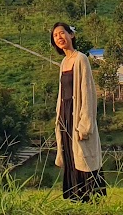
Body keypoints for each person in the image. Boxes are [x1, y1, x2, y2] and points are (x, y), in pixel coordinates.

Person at [50, 21, 105, 202]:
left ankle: (90, 200)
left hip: (77, 117)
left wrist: (85, 125)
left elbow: (88, 92)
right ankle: (75, 200)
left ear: (71, 35)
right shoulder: (64, 62)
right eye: (55, 35)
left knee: (84, 159)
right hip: (65, 117)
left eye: (62, 33)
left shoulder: (81, 59)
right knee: (70, 158)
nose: (59, 37)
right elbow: (61, 95)